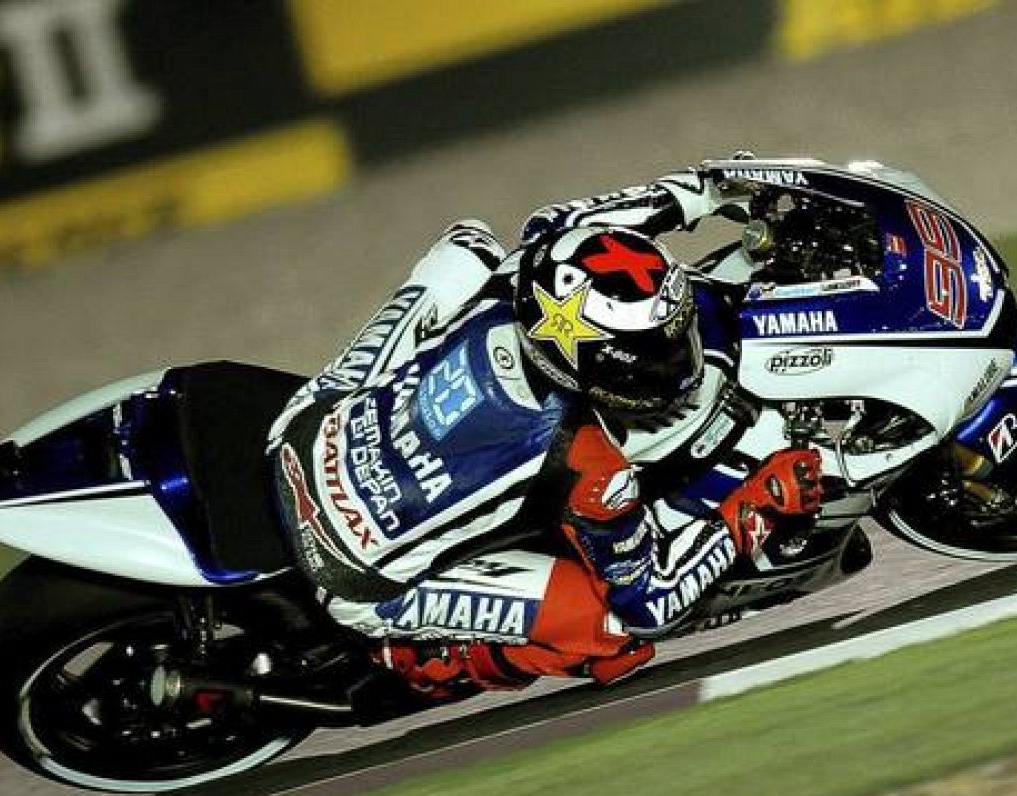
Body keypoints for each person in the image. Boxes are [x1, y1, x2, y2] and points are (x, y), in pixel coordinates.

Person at [267, 168, 822, 705]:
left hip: (304, 430)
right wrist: (755, 507)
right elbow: (650, 603)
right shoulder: (589, 460)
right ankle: (416, 659)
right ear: (584, 361)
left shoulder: (522, 275)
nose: (673, 365)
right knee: (611, 632)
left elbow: (564, 223)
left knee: (468, 247)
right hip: (352, 571)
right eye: (647, 356)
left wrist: (699, 193)